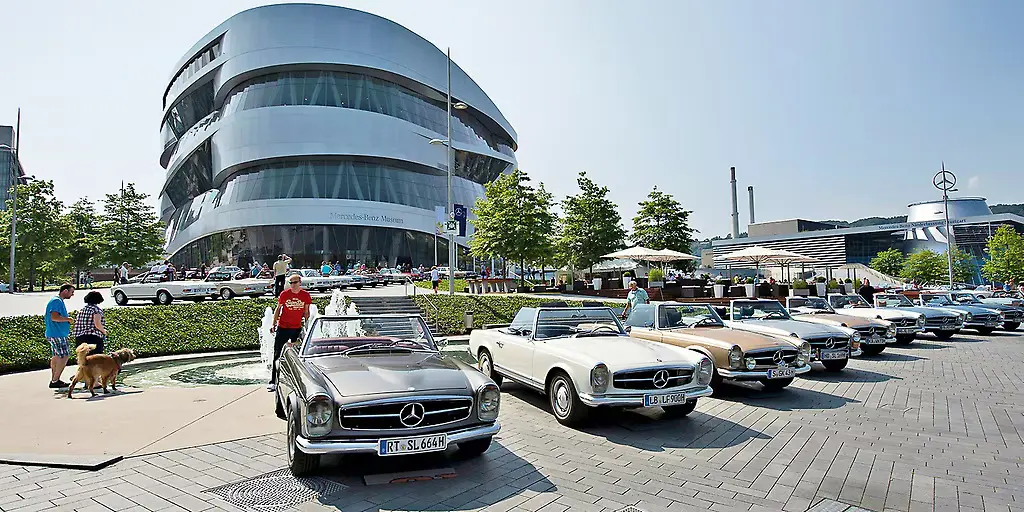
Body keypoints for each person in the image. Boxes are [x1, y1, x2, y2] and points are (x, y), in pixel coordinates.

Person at [268, 274, 312, 391]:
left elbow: (306, 311)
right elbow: (278, 309)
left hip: (296, 328)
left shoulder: (305, 295)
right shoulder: (285, 294)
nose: (292, 285)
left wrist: (307, 326)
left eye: (295, 282)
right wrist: (273, 324)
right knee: (277, 354)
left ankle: (296, 381)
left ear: (300, 282)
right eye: (291, 283)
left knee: (297, 355)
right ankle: (273, 381)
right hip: (283, 327)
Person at [45, 284, 75, 389]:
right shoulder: (56, 301)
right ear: (65, 291)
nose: (72, 294)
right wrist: (68, 319)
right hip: (57, 334)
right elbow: (54, 317)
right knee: (64, 355)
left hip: (55, 333)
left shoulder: (57, 300)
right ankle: (55, 380)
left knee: (56, 356)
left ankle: (54, 379)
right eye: (71, 292)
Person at [73, 291, 108, 356]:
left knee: (83, 360)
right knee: (95, 360)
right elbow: (97, 324)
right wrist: (104, 331)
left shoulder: (82, 310)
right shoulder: (96, 310)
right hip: (93, 338)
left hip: (80, 338)